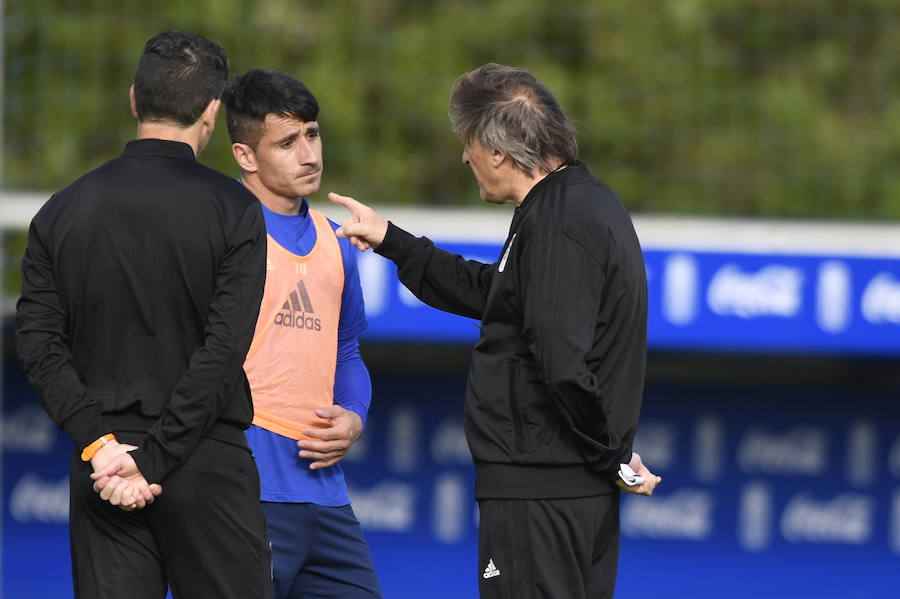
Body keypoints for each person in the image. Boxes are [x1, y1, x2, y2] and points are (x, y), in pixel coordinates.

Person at [329, 63, 662, 599]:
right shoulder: (570, 204)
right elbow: (498, 296)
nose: (464, 157)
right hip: (564, 487)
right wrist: (393, 240)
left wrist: (613, 457)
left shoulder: (559, 220)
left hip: (542, 494)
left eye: (468, 143)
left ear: (497, 150)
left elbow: (562, 364)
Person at [15, 31, 271, 599]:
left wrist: (100, 446)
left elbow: (36, 342)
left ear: (134, 99)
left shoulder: (61, 210)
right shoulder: (235, 208)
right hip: (202, 462)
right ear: (211, 112)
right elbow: (223, 350)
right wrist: (153, 460)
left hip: (102, 467)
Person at [221, 68, 382, 599]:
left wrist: (355, 415)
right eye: (286, 142)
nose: (309, 153)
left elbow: (346, 349)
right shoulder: (219, 231)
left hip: (326, 496)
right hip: (245, 490)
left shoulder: (336, 241)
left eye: (312, 134)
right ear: (246, 156)